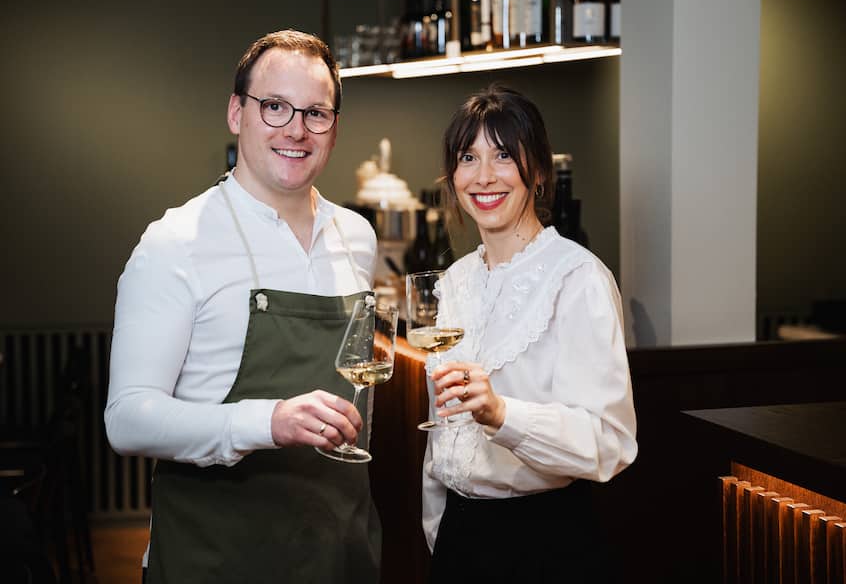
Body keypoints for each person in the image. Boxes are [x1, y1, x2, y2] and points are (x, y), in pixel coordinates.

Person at [105, 30, 381, 583]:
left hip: (338, 554)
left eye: (316, 113)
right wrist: (268, 422)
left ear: (333, 128)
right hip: (217, 559)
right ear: (236, 113)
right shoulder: (175, 241)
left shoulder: (357, 236)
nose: (296, 130)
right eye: (274, 107)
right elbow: (128, 419)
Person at [421, 84, 638, 583]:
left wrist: (502, 413)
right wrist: (438, 530)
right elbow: (442, 437)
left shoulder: (578, 279)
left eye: (503, 155)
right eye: (467, 157)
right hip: (459, 541)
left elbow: (611, 441)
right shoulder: (454, 282)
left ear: (538, 171)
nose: (484, 176)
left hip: (544, 545)